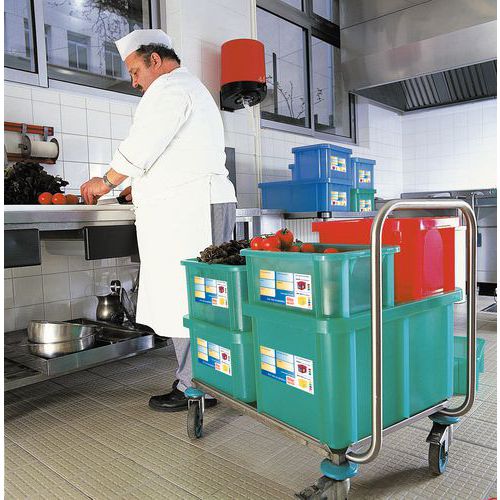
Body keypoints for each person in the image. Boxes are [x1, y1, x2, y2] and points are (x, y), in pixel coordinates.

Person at [80, 29, 237, 412]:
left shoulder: (170, 88)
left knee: (194, 299)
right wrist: (142, 186)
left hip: (194, 210)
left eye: (135, 71)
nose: (134, 82)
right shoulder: (184, 89)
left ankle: (199, 386)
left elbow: (143, 145)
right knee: (193, 298)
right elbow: (172, 153)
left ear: (154, 60)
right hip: (190, 207)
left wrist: (106, 181)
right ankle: (197, 381)